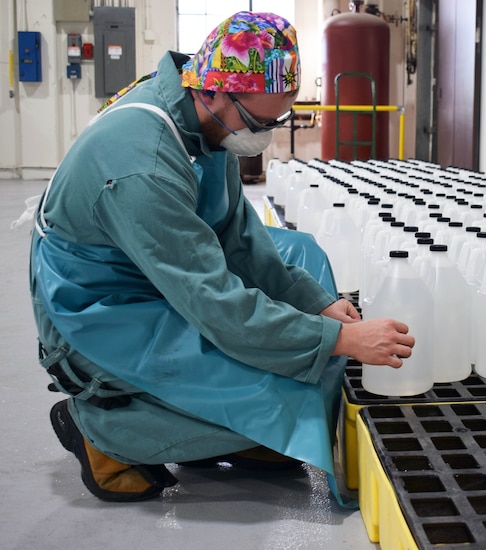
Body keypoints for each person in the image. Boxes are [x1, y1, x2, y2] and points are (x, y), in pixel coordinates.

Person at [29, 11, 414, 503]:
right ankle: (104, 429)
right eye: (257, 122)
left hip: (156, 271)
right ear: (211, 90)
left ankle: (243, 430)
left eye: (276, 121)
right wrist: (338, 339)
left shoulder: (198, 118)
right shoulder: (142, 166)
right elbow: (218, 306)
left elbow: (238, 238)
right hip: (102, 314)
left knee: (304, 259)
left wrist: (316, 305)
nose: (263, 136)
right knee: (290, 397)